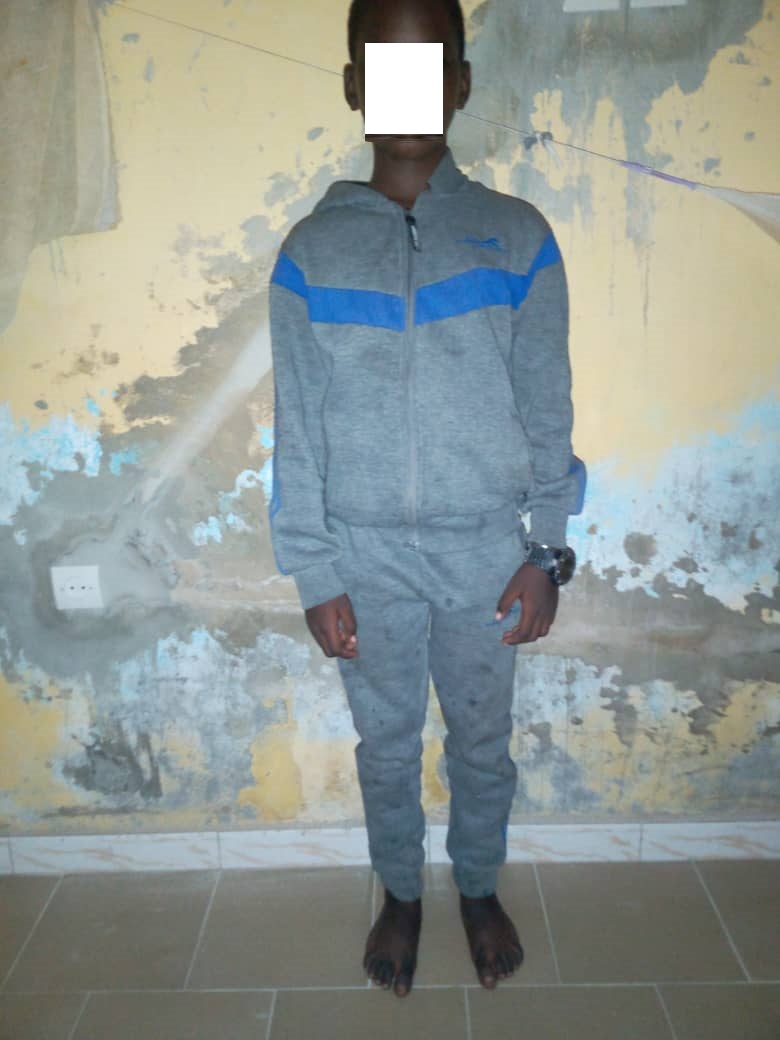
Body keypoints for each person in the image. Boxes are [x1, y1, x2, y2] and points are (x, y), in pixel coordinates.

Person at [268, 0, 581, 999]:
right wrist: (315, 571)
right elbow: (298, 427)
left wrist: (546, 550)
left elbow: (547, 406)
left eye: (429, 63)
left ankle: (477, 884)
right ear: (355, 85)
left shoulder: (517, 237)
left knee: (482, 739)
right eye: (383, 65)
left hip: (486, 550)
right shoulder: (312, 252)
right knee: (387, 743)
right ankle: (401, 891)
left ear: (460, 82)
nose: (407, 87)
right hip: (364, 555)